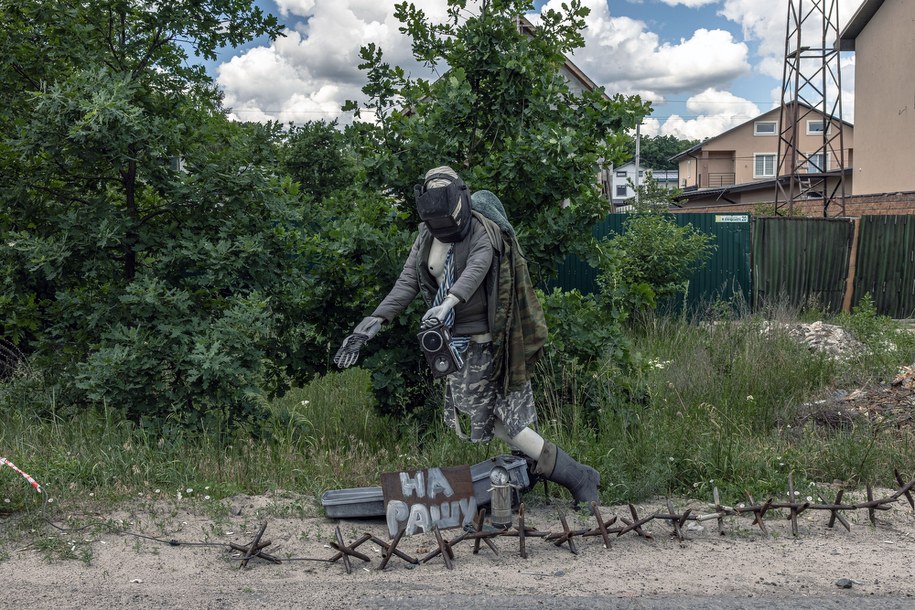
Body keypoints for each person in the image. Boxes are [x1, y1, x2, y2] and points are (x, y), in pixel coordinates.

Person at [334, 166, 600, 506]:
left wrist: (447, 303)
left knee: (507, 423)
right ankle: (559, 471)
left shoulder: (481, 228)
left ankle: (576, 477)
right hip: (454, 344)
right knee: (498, 423)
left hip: (490, 343)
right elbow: (408, 282)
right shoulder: (427, 235)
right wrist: (372, 321)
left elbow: (477, 266)